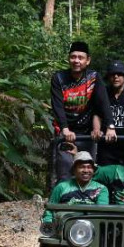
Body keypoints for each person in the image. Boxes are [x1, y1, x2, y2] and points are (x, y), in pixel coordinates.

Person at [50, 41, 116, 180]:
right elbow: (57, 105)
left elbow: (103, 102)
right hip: (66, 131)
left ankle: (86, 200)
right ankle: (64, 199)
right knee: (66, 168)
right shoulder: (59, 78)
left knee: (86, 169)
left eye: (81, 57)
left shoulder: (93, 78)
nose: (76, 61)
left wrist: (110, 126)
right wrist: (64, 128)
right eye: (73, 57)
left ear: (88, 60)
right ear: (69, 58)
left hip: (86, 132)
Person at [42, 152, 109, 224]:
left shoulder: (101, 189)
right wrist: (48, 223)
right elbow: (50, 208)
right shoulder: (62, 187)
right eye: (82, 167)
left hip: (91, 225)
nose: (86, 171)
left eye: (89, 167)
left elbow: (102, 212)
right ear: (74, 170)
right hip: (66, 224)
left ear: (93, 170)